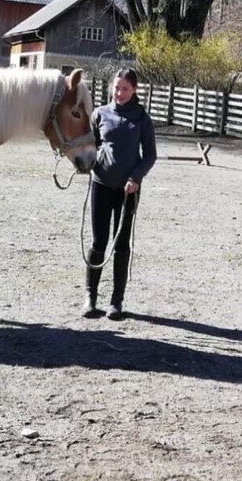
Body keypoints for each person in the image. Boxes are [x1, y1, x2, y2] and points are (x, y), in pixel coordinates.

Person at [83, 67, 157, 320]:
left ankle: (116, 301)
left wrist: (136, 177)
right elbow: (90, 146)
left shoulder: (141, 119)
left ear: (134, 90)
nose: (120, 93)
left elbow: (150, 155)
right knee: (98, 242)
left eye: (125, 88)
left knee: (121, 244)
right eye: (116, 87)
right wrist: (88, 163)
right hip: (101, 185)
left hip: (128, 191)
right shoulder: (99, 114)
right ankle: (90, 297)